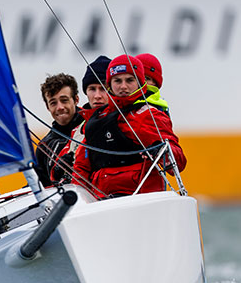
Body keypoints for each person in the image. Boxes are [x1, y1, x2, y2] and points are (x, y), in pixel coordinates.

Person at [70, 54, 186, 197]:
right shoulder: (96, 120)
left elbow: (179, 163)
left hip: (141, 201)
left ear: (140, 82)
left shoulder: (148, 115)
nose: (123, 86)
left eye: (130, 80)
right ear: (109, 85)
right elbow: (81, 168)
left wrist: (162, 152)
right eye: (117, 81)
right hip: (103, 203)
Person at [50, 56, 111, 184]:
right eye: (92, 89)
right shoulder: (78, 130)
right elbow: (54, 176)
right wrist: (57, 170)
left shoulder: (125, 120)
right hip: (85, 198)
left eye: (103, 89)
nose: (97, 96)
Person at [35, 73, 84, 187]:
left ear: (76, 100)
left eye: (64, 100)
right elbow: (40, 187)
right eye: (53, 103)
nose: (60, 107)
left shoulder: (92, 127)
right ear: (47, 107)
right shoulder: (44, 147)